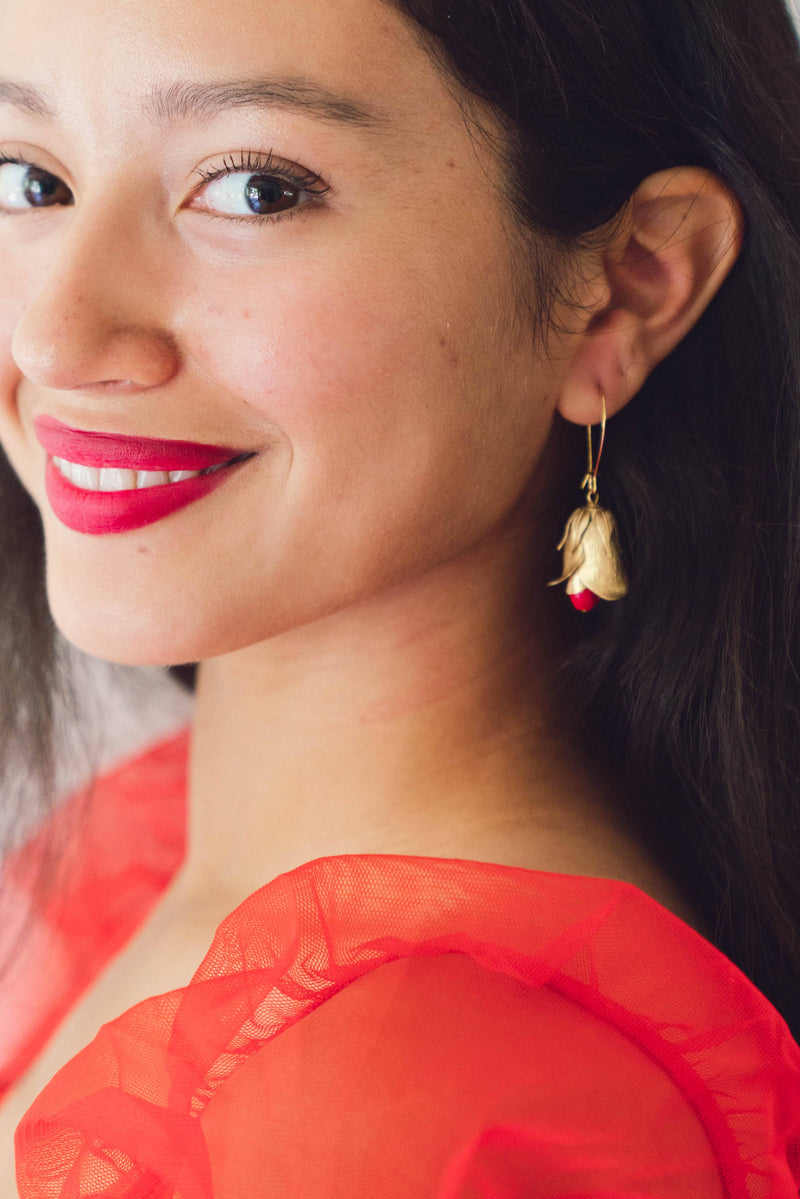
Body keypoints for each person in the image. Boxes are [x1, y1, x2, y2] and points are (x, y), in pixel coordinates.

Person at [0, 0, 799, 1191]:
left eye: (255, 189)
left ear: (626, 288)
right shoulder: (137, 848)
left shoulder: (415, 1099)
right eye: (28, 177)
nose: (61, 337)